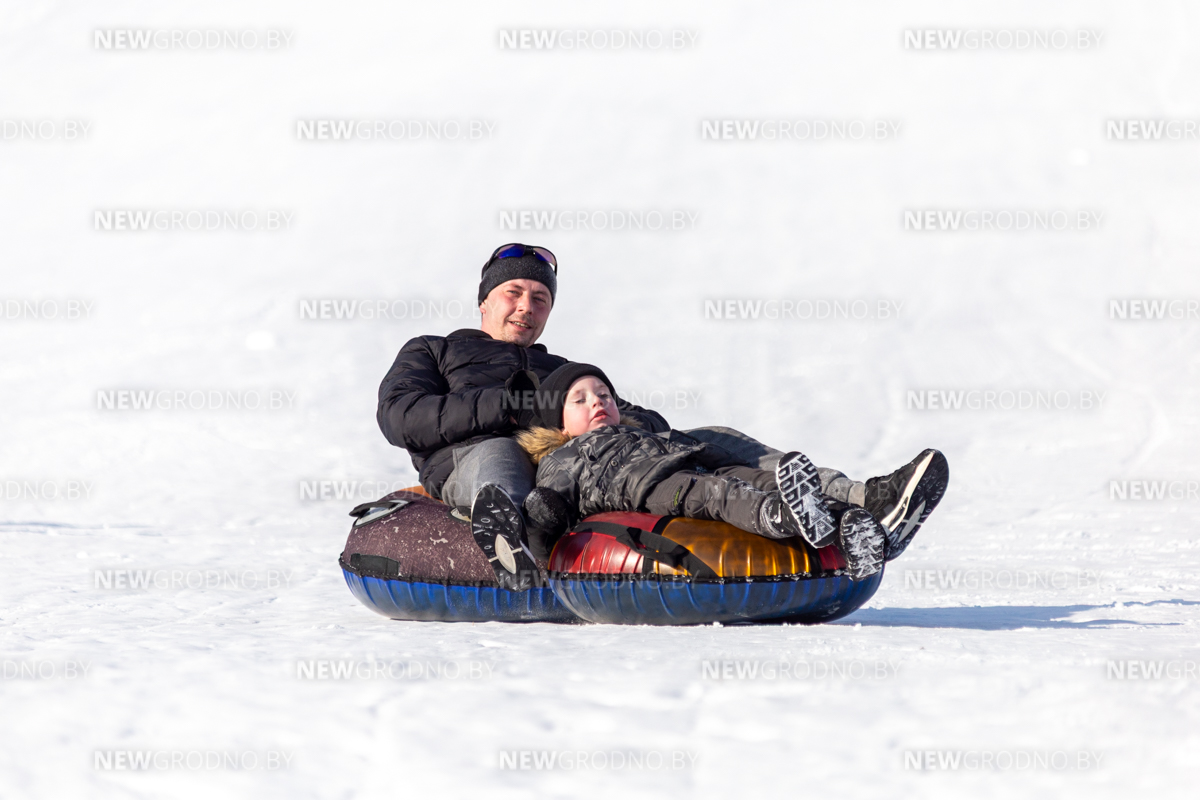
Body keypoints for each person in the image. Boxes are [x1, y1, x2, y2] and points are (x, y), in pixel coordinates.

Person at [377, 244, 947, 588]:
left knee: (710, 439)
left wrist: (643, 427)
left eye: (540, 298)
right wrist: (507, 407)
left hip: (574, 455)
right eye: (514, 293)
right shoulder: (434, 350)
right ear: (485, 300)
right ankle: (513, 541)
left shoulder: (565, 368)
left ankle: (860, 499)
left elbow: (627, 412)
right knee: (499, 453)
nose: (527, 307)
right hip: (471, 461)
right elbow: (402, 415)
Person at [467, 363, 946, 587]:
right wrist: (541, 515)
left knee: (749, 475)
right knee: (719, 494)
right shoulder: (564, 456)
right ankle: (782, 516)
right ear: (558, 422)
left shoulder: (639, 431)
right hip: (648, 487)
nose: (598, 403)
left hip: (679, 460)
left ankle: (864, 529)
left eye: (605, 395)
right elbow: (552, 504)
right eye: (582, 399)